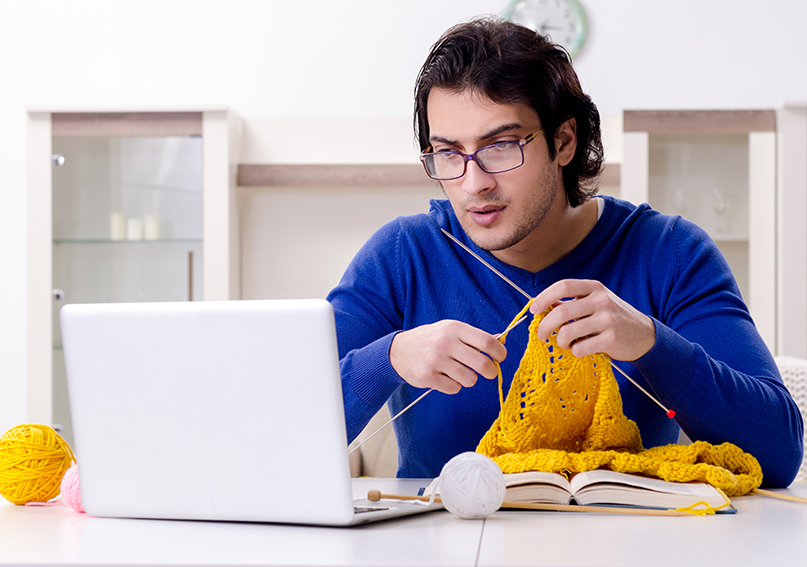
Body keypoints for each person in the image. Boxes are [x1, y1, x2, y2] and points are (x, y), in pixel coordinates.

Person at [327, 17, 803, 486]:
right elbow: (272, 437)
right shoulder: (401, 255)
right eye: (449, 153)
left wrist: (650, 343)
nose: (474, 183)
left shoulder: (670, 252)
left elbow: (778, 455)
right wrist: (386, 359)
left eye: (501, 146)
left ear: (563, 141)